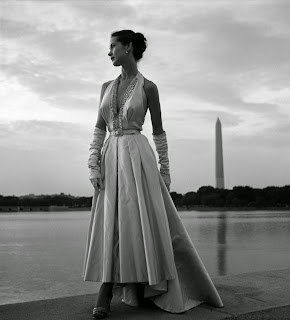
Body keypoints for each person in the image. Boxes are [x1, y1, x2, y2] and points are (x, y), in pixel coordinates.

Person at [83, 30, 223, 319]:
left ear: (128, 47)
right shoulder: (106, 86)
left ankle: (136, 285)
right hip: (110, 156)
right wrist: (93, 163)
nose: (109, 52)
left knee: (137, 223)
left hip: (138, 157)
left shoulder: (149, 88)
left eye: (112, 46)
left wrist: (166, 170)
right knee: (112, 222)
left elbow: (158, 132)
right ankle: (107, 287)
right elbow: (99, 127)